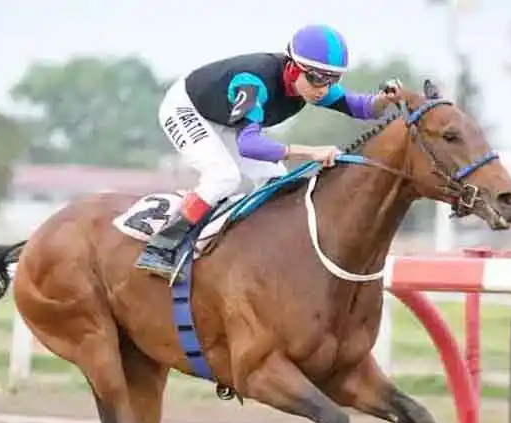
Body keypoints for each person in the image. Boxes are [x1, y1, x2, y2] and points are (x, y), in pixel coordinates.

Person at [134, 23, 405, 281]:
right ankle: (160, 246)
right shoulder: (254, 82)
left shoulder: (310, 84)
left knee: (277, 182)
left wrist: (386, 99)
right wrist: (311, 153)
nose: (322, 89)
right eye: (316, 79)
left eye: (332, 80)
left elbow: (362, 108)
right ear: (291, 68)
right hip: (188, 109)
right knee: (223, 177)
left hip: (224, 119)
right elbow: (249, 145)